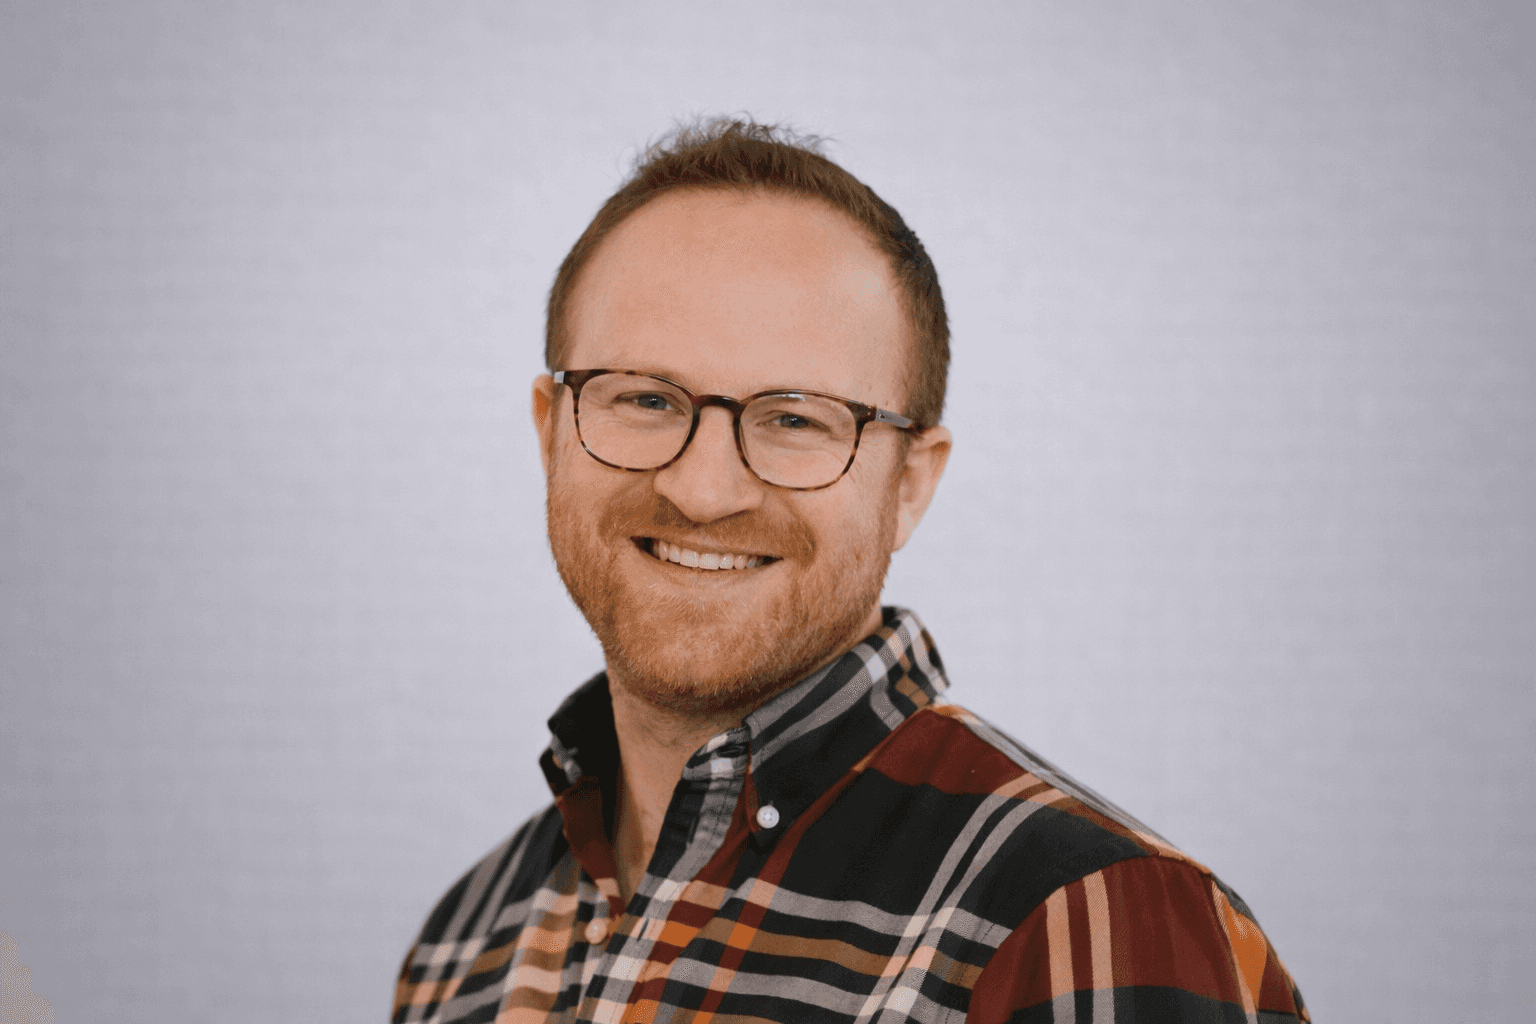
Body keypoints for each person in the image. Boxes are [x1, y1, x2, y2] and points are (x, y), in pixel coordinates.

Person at [393, 119, 1308, 1024]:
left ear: (910, 485)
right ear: (552, 431)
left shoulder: (1085, 920)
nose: (703, 489)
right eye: (644, 398)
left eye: (795, 420)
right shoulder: (466, 946)